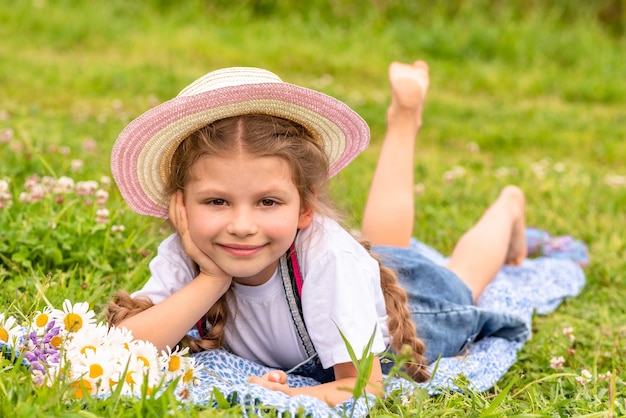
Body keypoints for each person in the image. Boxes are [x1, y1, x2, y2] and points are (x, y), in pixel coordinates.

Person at [106, 61, 534, 406]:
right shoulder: (188, 250)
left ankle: (507, 206)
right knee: (385, 245)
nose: (241, 225)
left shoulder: (330, 259)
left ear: (304, 207)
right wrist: (211, 280)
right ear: (179, 205)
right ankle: (403, 117)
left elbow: (364, 388)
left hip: (419, 311)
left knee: (463, 278)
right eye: (216, 202)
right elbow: (125, 349)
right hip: (360, 272)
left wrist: (297, 393)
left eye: (267, 202)